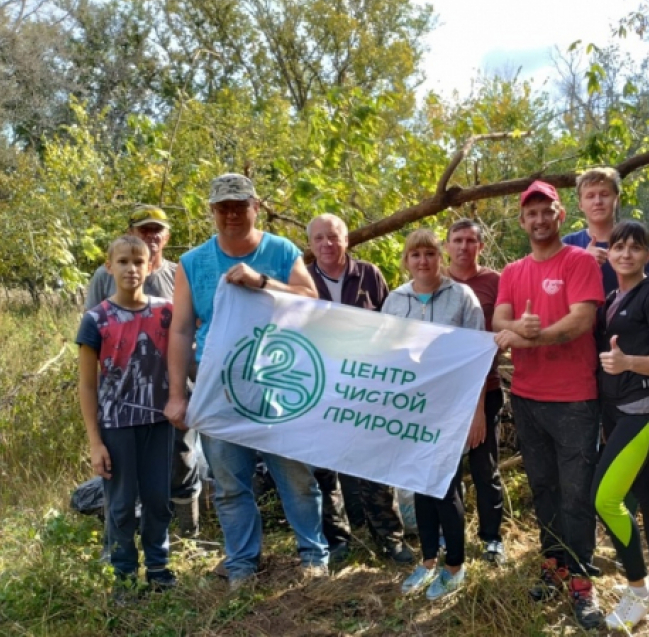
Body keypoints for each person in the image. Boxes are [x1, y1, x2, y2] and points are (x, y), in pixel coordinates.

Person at [164, 173, 328, 590]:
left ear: (256, 206)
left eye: (239, 205)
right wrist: (177, 395)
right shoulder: (192, 263)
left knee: (295, 476)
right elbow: (181, 330)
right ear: (213, 211)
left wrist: (262, 283)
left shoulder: (280, 250)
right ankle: (241, 565)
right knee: (229, 483)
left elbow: (311, 302)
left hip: (278, 382)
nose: (231, 214)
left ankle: (313, 556)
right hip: (217, 387)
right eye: (223, 207)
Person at [493, 181, 605, 630]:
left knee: (577, 492)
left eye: (546, 211)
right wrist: (520, 327)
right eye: (530, 214)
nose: (538, 220)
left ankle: (581, 579)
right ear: (522, 221)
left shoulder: (579, 261)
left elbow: (581, 321)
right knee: (543, 487)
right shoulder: (512, 272)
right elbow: (499, 321)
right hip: (527, 396)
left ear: (561, 216)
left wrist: (532, 335)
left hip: (575, 397)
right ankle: (553, 562)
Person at [381, 228, 487, 601]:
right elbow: (385, 356)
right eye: (415, 255)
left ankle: (455, 566)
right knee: (419, 484)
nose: (422, 260)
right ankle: (427, 561)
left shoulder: (462, 296)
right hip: (411, 410)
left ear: (439, 257)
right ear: (406, 260)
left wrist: (477, 413)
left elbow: (477, 357)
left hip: (451, 407)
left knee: (444, 487)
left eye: (429, 253)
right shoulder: (395, 300)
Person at [85, 205, 201, 537]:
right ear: (131, 232)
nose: (151, 236)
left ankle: (187, 535)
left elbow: (194, 329)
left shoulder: (180, 274)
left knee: (182, 459)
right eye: (144, 230)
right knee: (127, 472)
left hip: (175, 390)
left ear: (167, 236)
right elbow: (91, 335)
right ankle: (127, 541)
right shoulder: (103, 276)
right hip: (121, 400)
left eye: (157, 230)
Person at [306, 213, 414, 565]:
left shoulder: (369, 273)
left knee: (375, 466)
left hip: (366, 387)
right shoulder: (301, 280)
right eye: (319, 238)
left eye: (333, 236)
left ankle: (389, 539)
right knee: (324, 470)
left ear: (346, 239)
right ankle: (336, 541)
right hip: (320, 389)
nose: (327, 244)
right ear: (310, 244)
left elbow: (390, 326)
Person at [77, 235, 176, 603]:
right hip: (116, 425)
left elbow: (187, 355)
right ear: (109, 266)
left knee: (157, 499)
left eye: (139, 261)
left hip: (158, 422)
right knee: (120, 503)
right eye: (123, 262)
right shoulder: (96, 319)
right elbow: (87, 386)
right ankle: (123, 575)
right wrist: (95, 441)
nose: (131, 269)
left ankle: (158, 567)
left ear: (151, 266)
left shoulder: (167, 312)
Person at [591, 221, 649, 630]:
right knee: (646, 490)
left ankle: (637, 590)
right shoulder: (613, 296)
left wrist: (627, 363)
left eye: (635, 247)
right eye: (618, 247)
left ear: (648, 255)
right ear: (609, 254)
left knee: (605, 499)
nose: (625, 254)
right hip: (617, 408)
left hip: (642, 410)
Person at [445, 218, 507, 565]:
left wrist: (479, 408)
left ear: (480, 246)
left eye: (471, 241)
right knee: (445, 468)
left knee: (486, 468)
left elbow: (501, 332)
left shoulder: (495, 282)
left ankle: (491, 539)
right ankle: (450, 536)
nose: (464, 247)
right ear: (447, 245)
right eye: (457, 240)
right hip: (444, 395)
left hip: (488, 388)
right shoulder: (436, 284)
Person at [562, 167, 649, 294]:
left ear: (617, 199)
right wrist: (582, 263)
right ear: (580, 204)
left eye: (604, 195)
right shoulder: (567, 245)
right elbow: (555, 295)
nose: (597, 201)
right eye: (590, 196)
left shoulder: (638, 243)